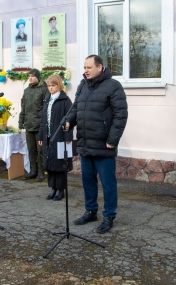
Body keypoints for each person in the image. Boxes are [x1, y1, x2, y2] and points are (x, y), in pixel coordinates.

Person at [64, 54, 128, 234]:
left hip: (103, 145)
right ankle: (91, 211)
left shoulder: (113, 86)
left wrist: (112, 140)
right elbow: (76, 108)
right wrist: (69, 122)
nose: (85, 70)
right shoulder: (83, 85)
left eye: (89, 67)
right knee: (88, 181)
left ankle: (109, 216)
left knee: (108, 183)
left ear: (99, 68)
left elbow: (120, 115)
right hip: (85, 142)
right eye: (84, 67)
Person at [38, 75, 72, 201]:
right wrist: (41, 135)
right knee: (49, 162)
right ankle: (53, 187)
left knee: (59, 163)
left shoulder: (65, 100)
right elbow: (43, 120)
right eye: (49, 86)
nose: (51, 88)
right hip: (48, 136)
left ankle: (60, 189)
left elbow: (70, 119)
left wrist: (67, 136)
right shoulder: (47, 100)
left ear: (59, 85)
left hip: (60, 136)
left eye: (53, 85)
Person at [18, 68, 49, 181]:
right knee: (31, 149)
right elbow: (23, 108)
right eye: (29, 76)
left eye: (32, 76)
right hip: (29, 124)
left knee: (40, 150)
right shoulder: (26, 91)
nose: (30, 78)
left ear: (38, 77)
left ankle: (41, 172)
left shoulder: (44, 89)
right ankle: (33, 171)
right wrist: (21, 122)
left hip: (40, 125)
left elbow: (46, 108)